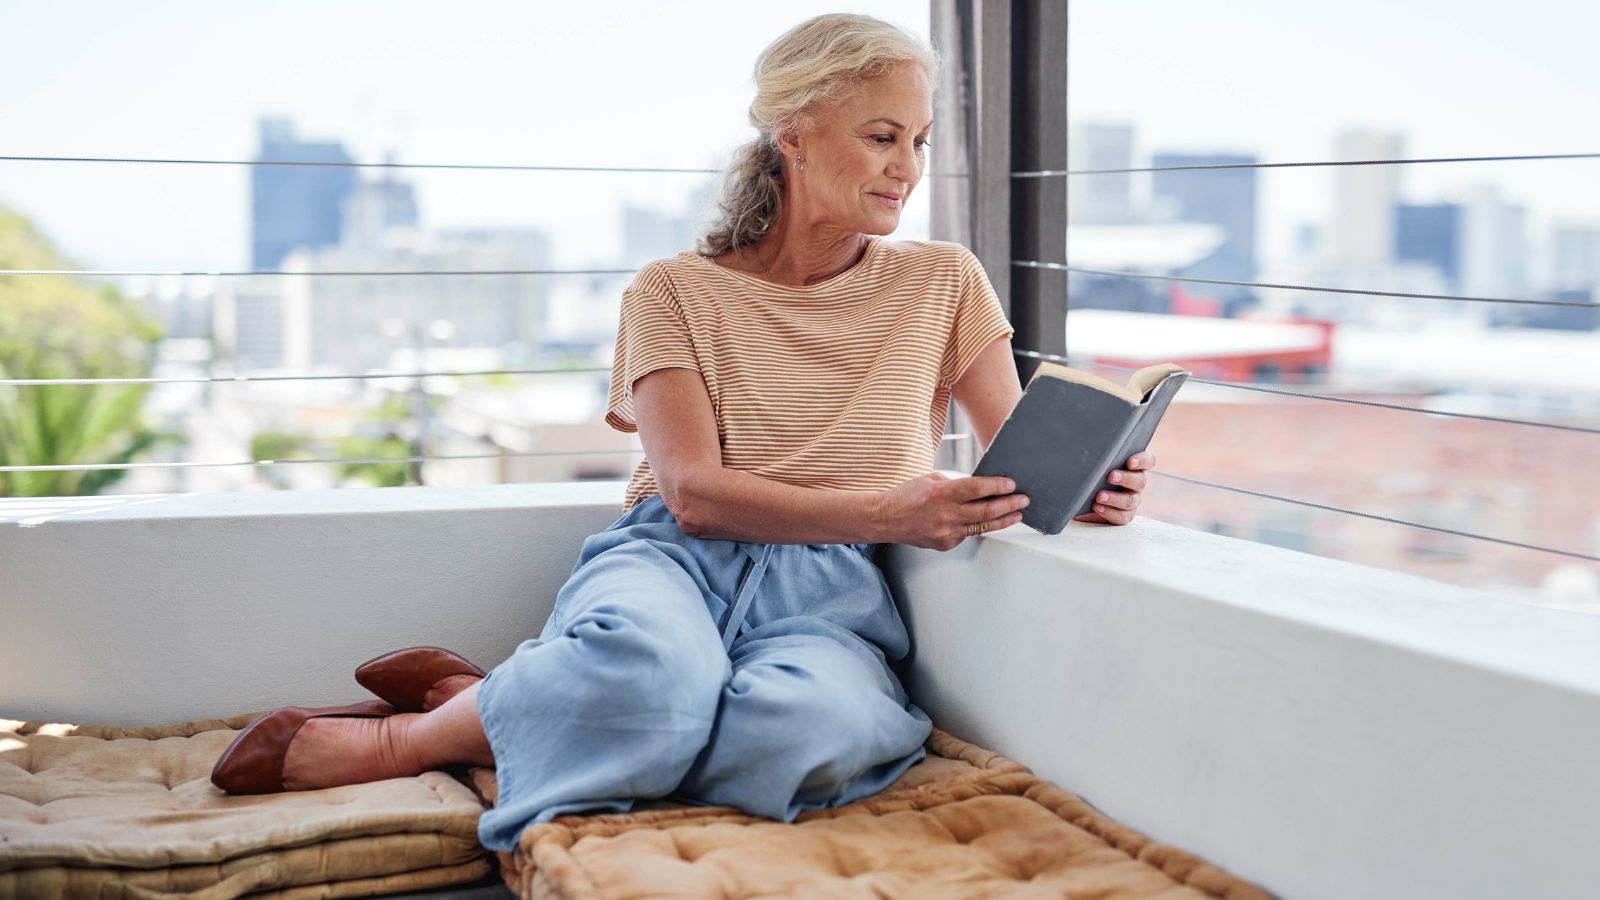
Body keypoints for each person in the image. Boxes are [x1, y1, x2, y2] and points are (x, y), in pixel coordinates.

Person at [209, 12, 1155, 854]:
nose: (907, 167)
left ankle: (496, 709)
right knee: (651, 690)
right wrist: (887, 508)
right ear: (793, 135)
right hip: (671, 559)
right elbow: (695, 496)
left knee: (798, 739)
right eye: (880, 137)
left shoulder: (946, 281)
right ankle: (403, 738)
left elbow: (1010, 456)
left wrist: (1089, 483)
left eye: (918, 139)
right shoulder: (672, 292)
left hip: (830, 592)